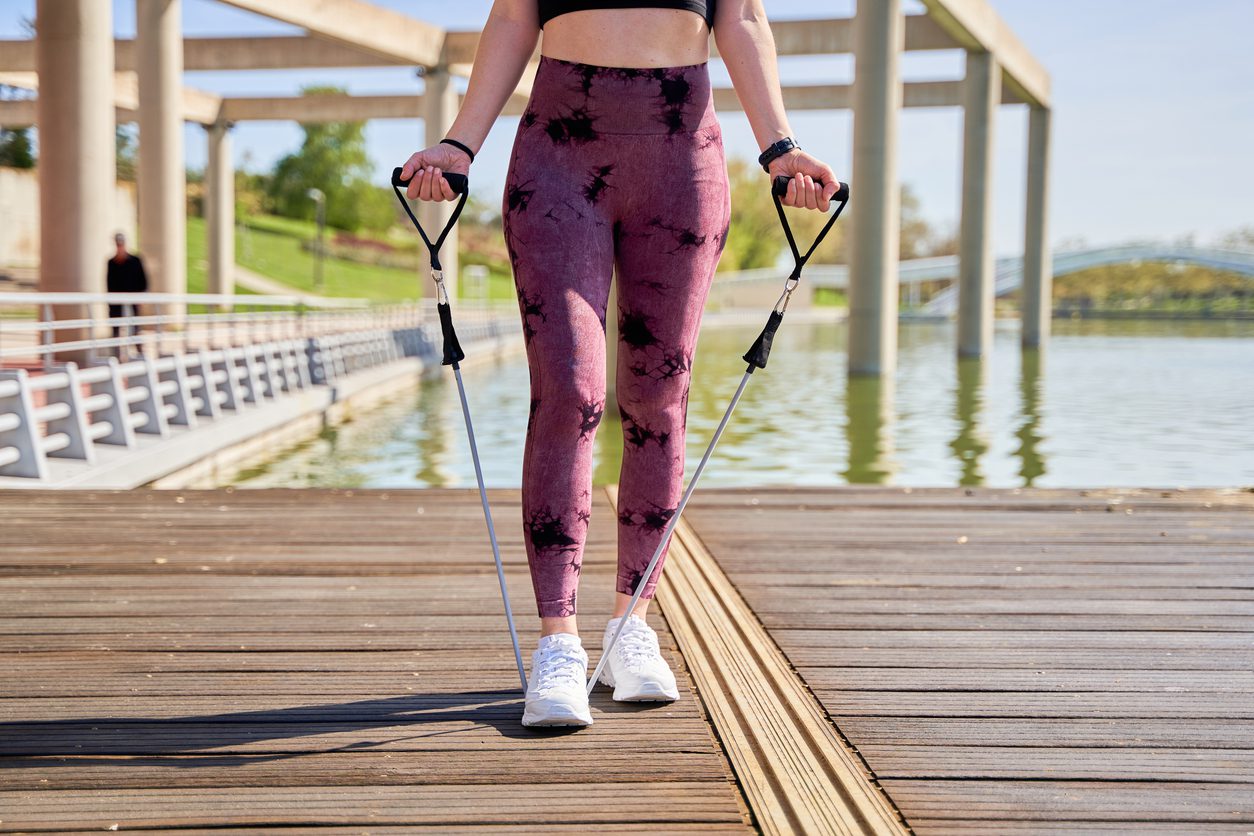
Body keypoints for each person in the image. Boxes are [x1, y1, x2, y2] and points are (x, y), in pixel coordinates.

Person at [400, 0, 840, 728]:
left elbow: (744, 19)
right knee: (570, 390)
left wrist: (780, 146)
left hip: (682, 153)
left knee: (658, 396)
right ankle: (559, 642)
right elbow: (513, 17)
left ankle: (633, 623)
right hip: (559, 153)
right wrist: (459, 144)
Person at [106, 232, 147, 359]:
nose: (119, 246)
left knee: (135, 327)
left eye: (121, 243)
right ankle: (116, 355)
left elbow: (143, 280)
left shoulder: (135, 260)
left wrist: (141, 296)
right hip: (116, 301)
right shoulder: (111, 262)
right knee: (116, 328)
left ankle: (139, 353)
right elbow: (109, 282)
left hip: (133, 298)